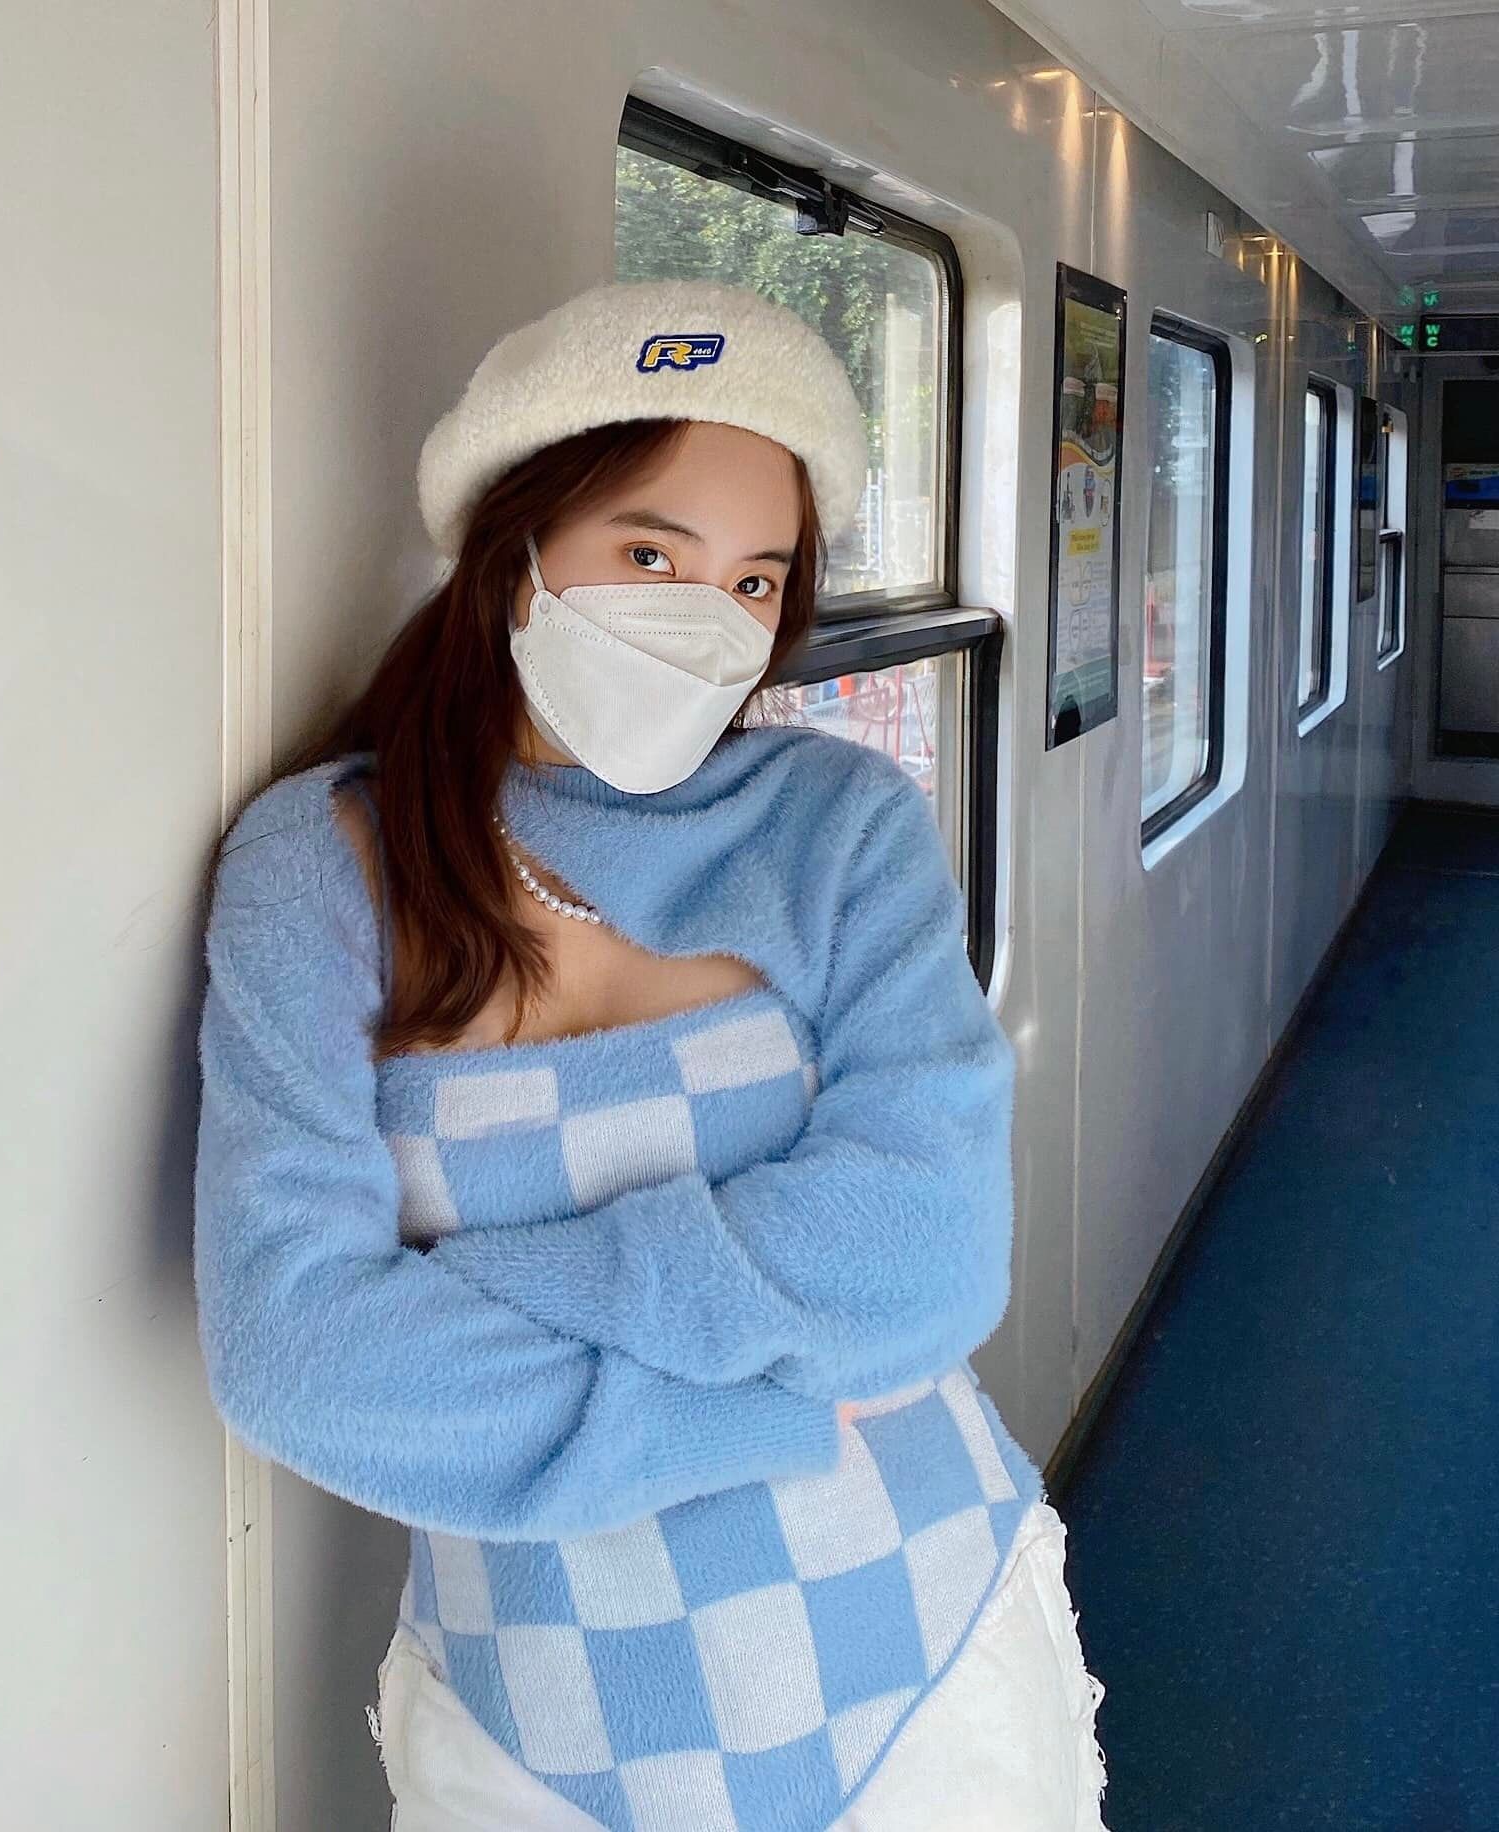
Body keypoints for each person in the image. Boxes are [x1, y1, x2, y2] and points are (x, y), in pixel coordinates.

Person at [192, 277, 1110, 1831]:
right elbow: (298, 1355)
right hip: (536, 1726)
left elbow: (929, 1257)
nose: (709, 618)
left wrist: (487, 1283)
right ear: (513, 551)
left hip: (932, 1655)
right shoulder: (320, 869)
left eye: (756, 579)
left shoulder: (843, 828)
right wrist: (753, 1418)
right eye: (649, 554)